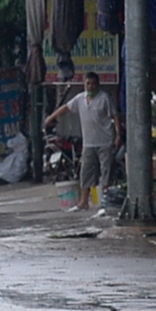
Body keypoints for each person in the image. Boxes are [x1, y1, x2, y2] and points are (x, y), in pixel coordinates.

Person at [49, 73, 120, 210]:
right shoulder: (79, 98)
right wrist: (51, 117)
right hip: (88, 143)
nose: (90, 86)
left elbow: (115, 116)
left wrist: (117, 135)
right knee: (86, 172)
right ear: (84, 84)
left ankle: (106, 202)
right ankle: (83, 202)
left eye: (93, 84)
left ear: (97, 84)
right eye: (88, 83)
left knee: (106, 173)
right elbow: (66, 108)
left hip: (105, 141)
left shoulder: (104, 98)